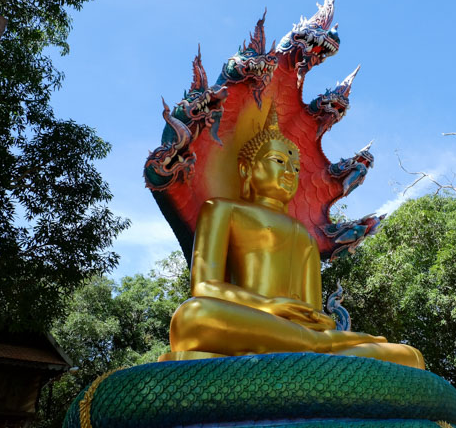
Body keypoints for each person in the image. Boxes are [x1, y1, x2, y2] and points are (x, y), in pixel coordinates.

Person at [163, 107, 424, 369]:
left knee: (410, 356)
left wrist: (318, 323)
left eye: (296, 167)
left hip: (288, 330)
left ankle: (314, 344)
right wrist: (267, 305)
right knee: (191, 316)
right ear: (246, 169)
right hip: (249, 316)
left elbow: (313, 313)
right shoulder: (222, 210)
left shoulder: (305, 236)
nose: (289, 171)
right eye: (278, 161)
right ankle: (320, 347)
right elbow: (205, 286)